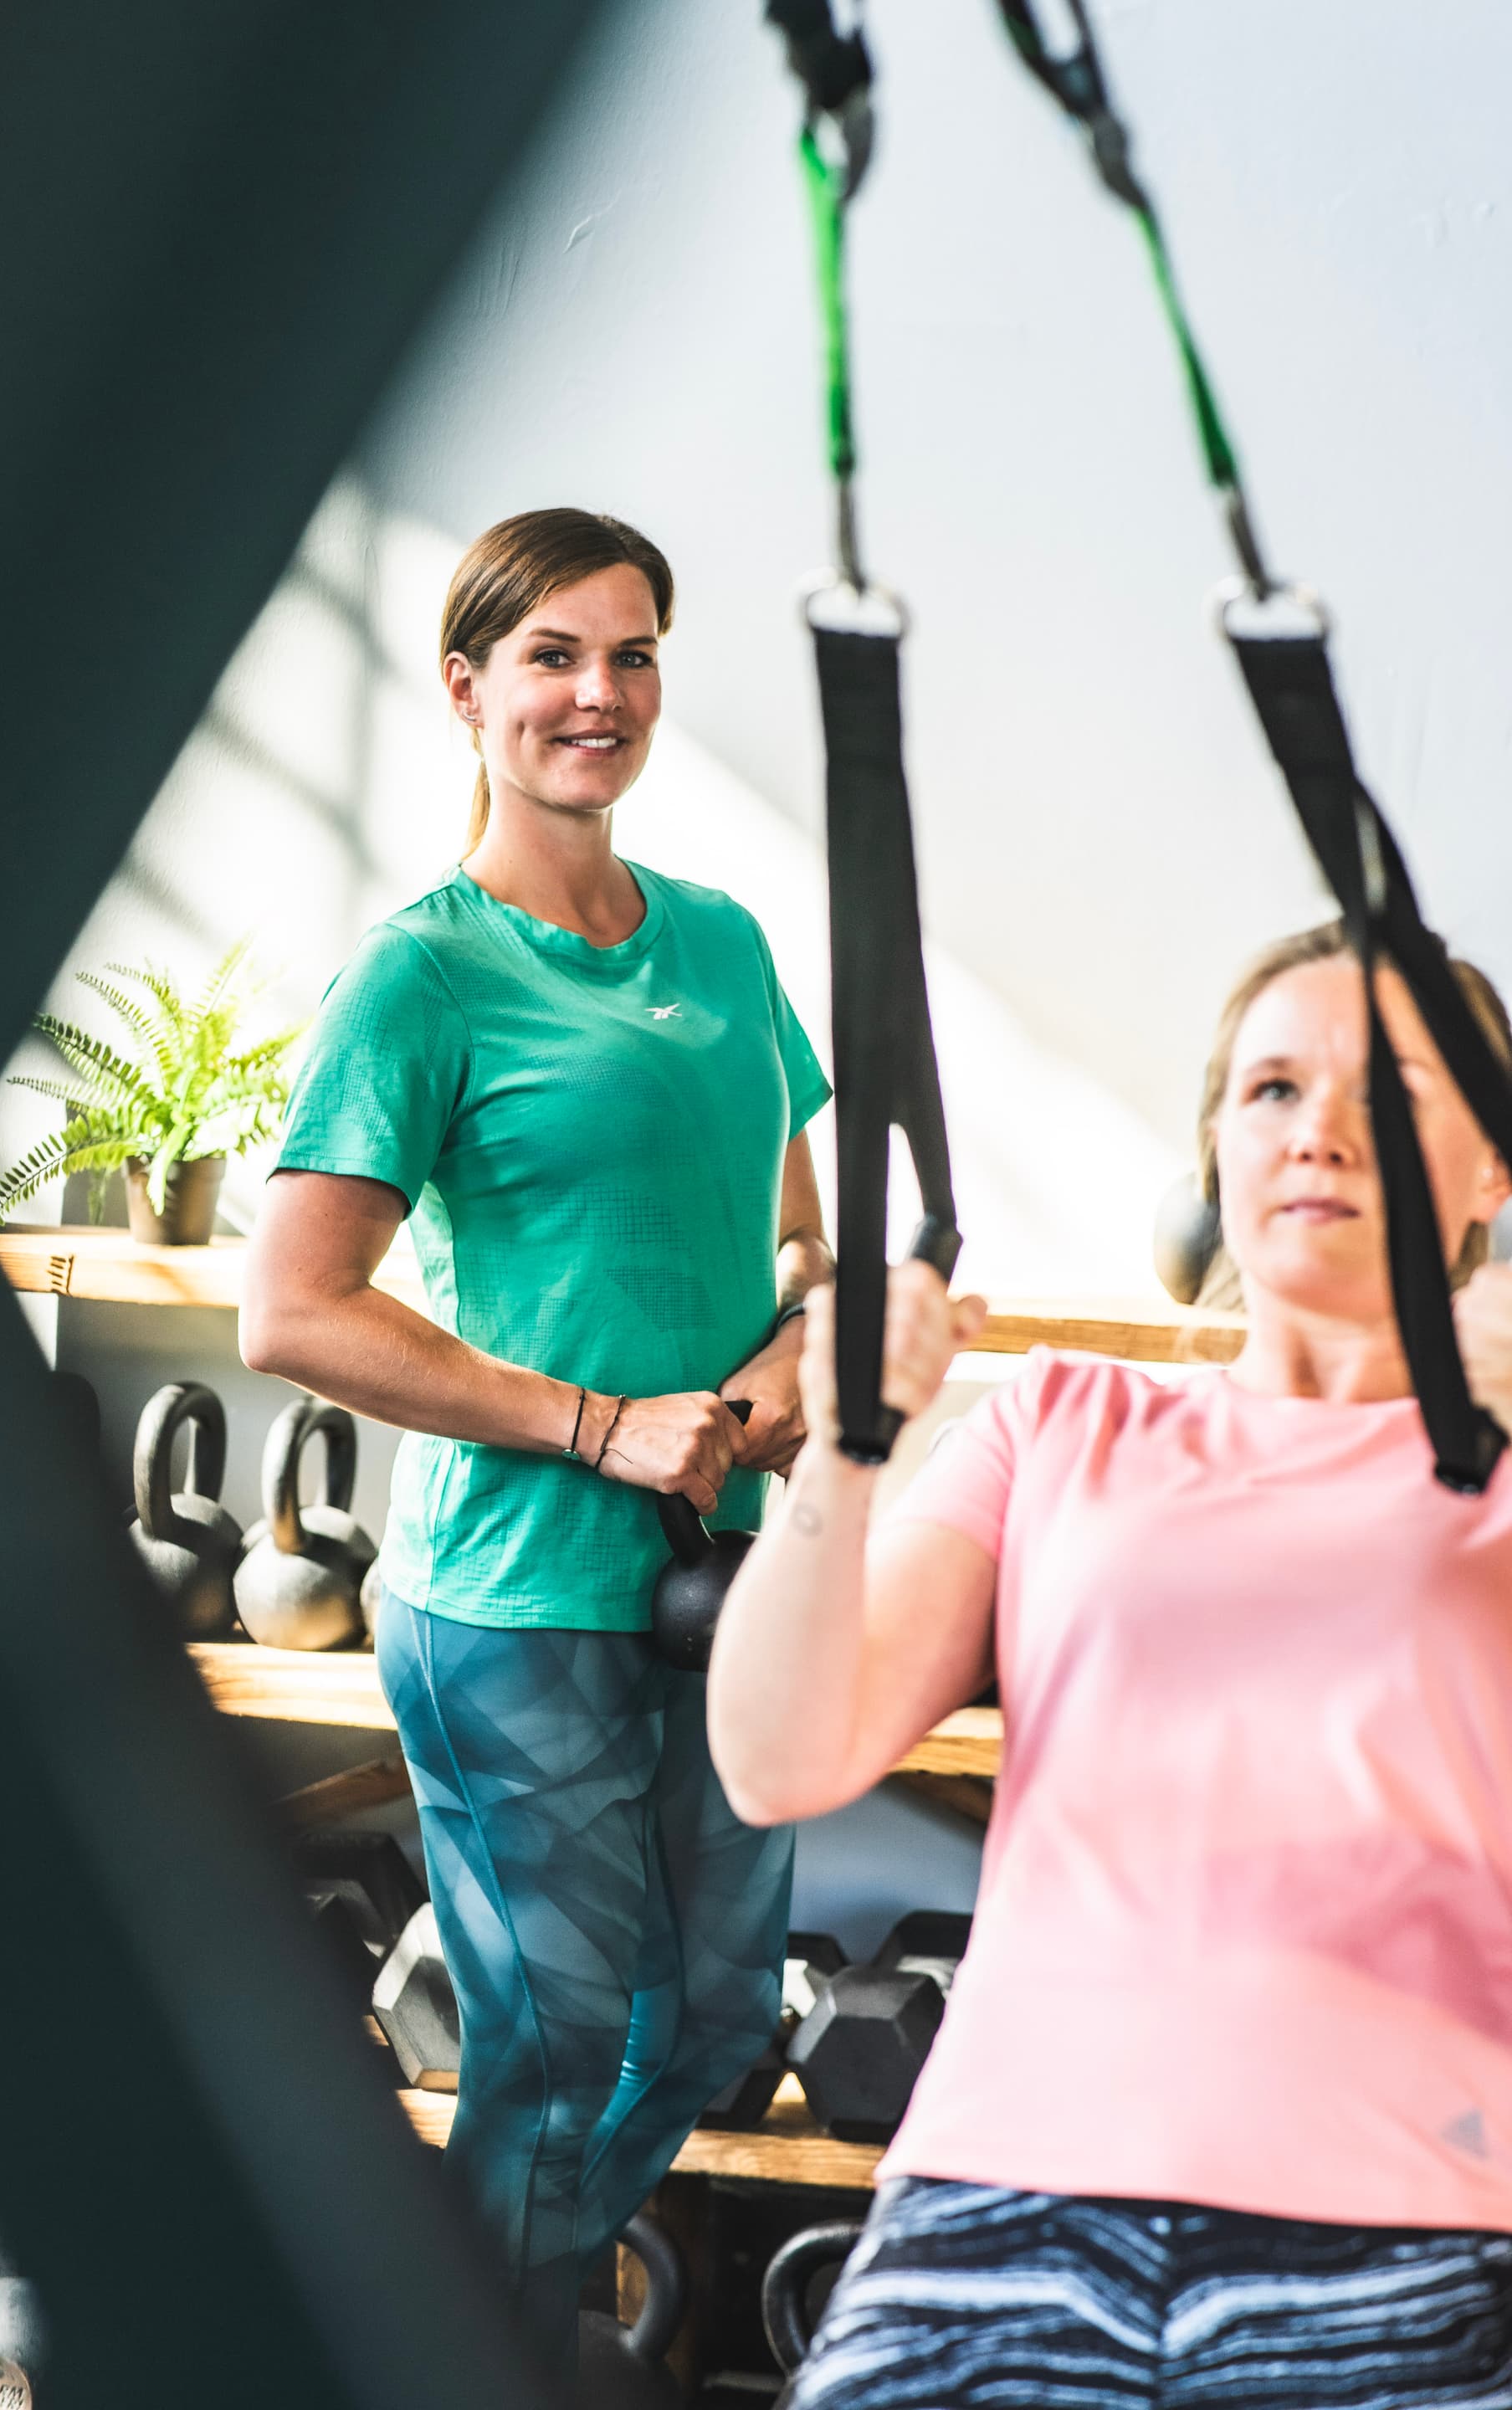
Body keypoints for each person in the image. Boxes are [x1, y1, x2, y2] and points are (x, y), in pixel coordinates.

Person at [709, 920, 1512, 2409]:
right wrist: (842, 1446)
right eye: (1271, 1087)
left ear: (1491, 1170)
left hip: (1403, 2227)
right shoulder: (1064, 1424)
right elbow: (778, 1754)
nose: (1321, 1126)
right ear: (1217, 1149)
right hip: (1001, 2195)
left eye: (1390, 1088)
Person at [239, 506, 833, 2377]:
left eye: (633, 653)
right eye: (556, 655)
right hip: (512, 1602)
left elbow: (800, 1243)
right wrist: (598, 1425)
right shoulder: (422, 975)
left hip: (724, 1578)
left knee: (725, 2013)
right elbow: (293, 1309)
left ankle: (434, 2324)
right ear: (468, 691)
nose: (600, 692)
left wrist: (767, 1388)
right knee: (557, 2048)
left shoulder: (727, 947)